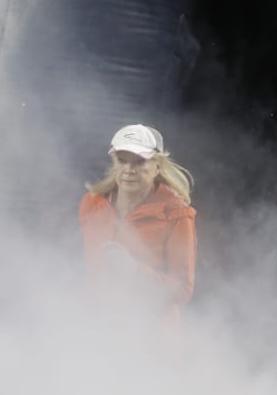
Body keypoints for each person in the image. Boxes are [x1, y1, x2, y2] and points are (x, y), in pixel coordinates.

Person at [78, 124, 197, 327]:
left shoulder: (176, 214)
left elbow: (182, 289)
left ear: (157, 166)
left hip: (151, 342)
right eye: (122, 160)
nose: (129, 170)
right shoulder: (92, 205)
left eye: (140, 161)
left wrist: (134, 271)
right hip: (98, 333)